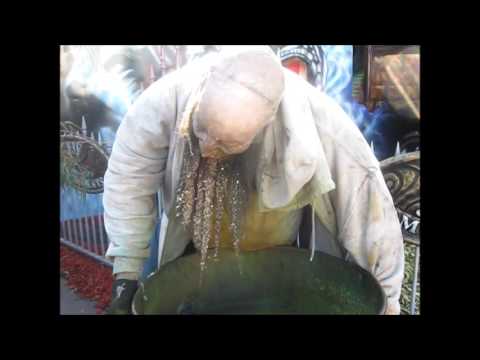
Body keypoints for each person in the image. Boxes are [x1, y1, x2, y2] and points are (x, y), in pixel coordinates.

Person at [103, 45, 404, 315]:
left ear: (265, 123)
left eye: (223, 143)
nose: (208, 148)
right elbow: (129, 178)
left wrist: (387, 304)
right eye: (201, 131)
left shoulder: (325, 128)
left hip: (281, 264)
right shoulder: (162, 103)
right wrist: (126, 274)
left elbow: (371, 215)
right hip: (192, 252)